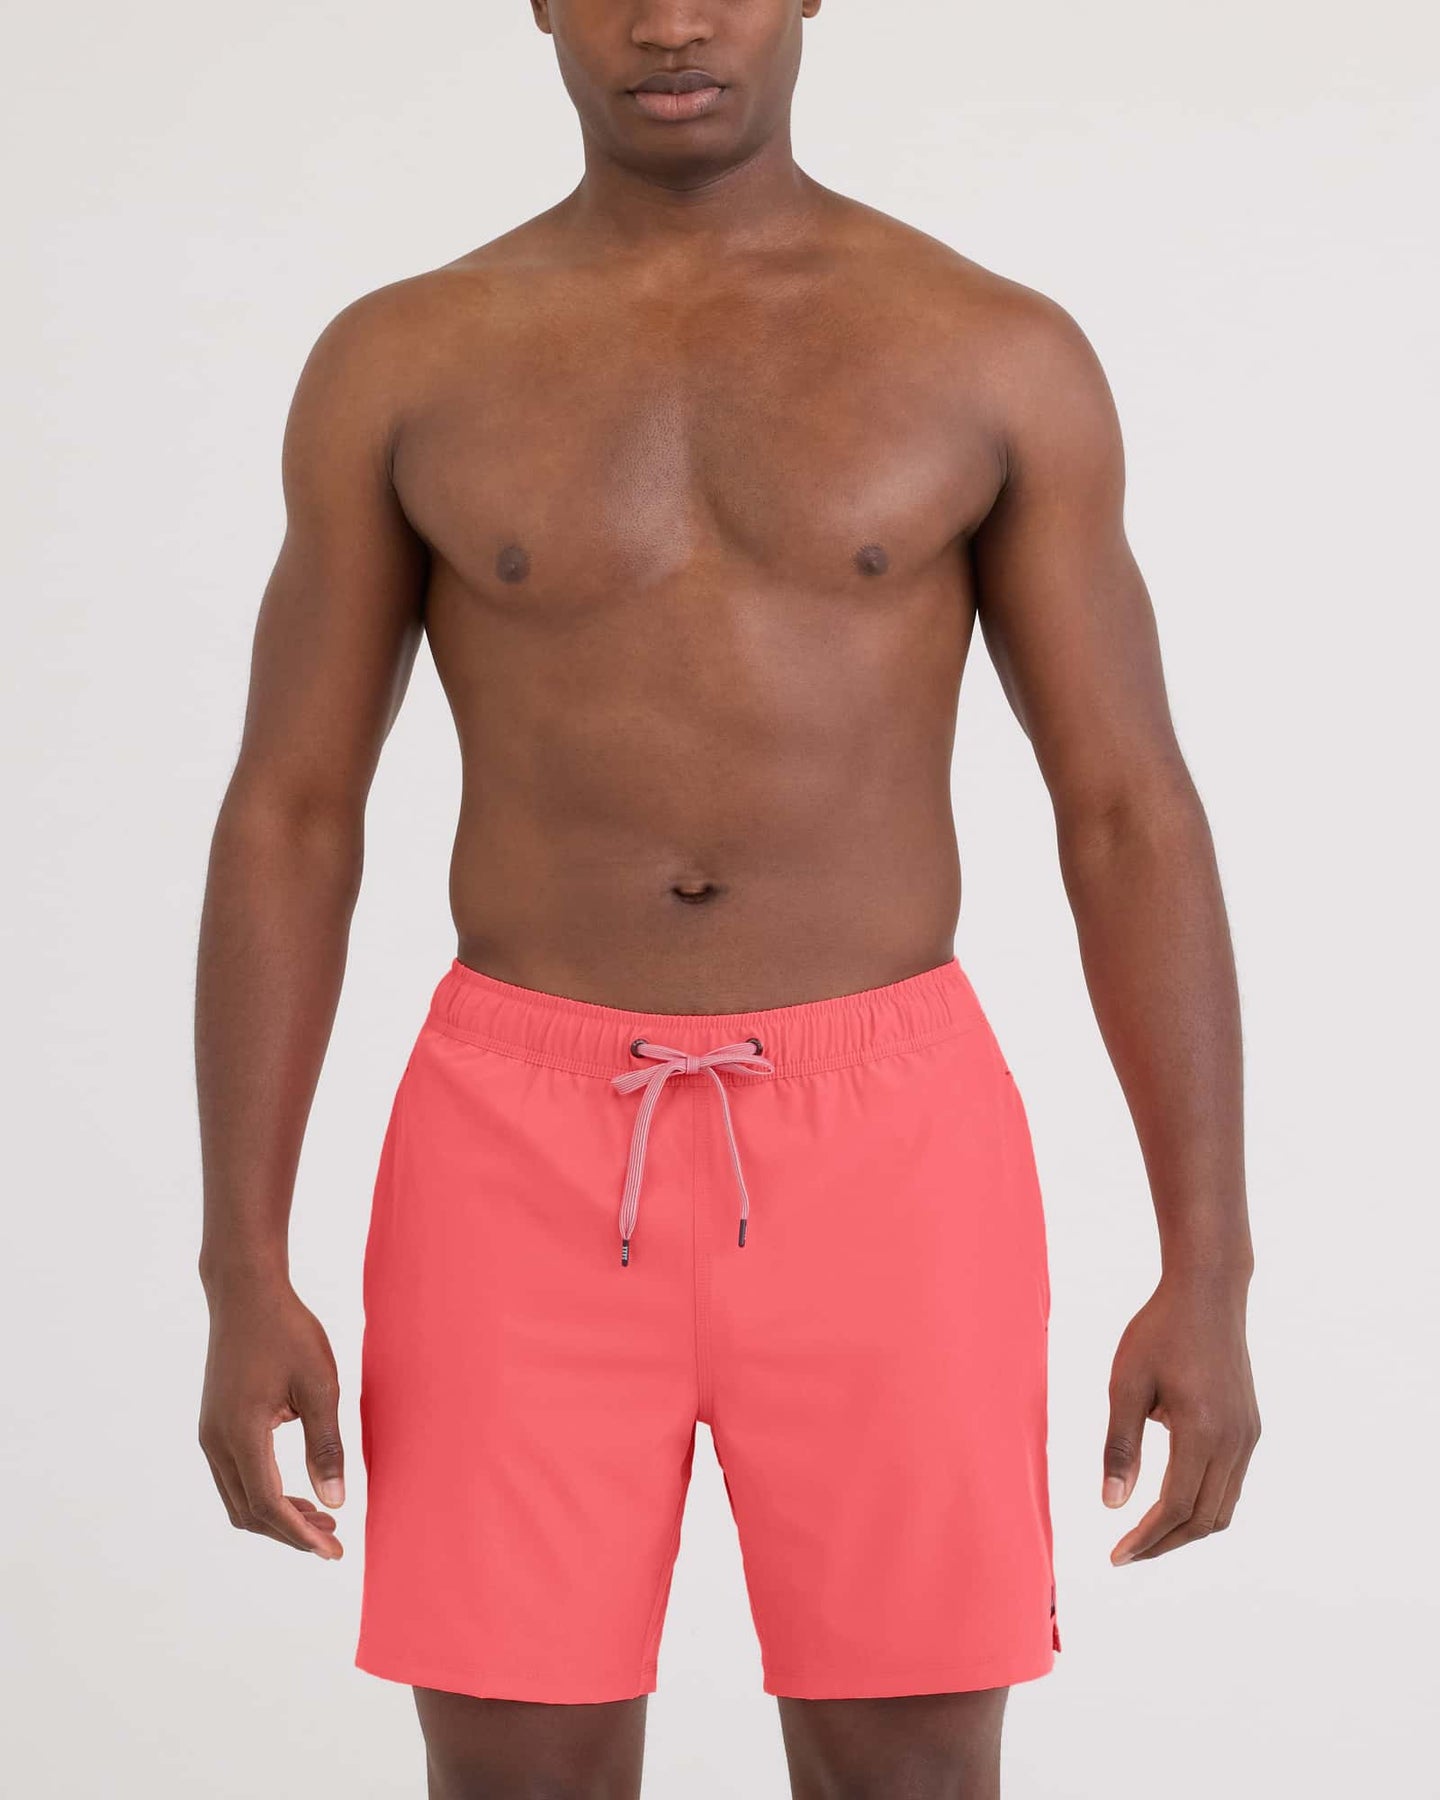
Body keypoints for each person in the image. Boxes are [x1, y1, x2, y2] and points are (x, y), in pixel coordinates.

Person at [194, 3, 1261, 1794]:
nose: (672, 18)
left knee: (911, 1771)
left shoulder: (990, 352)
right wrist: (242, 1267)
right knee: (515, 1776)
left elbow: (1128, 810)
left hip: (890, 1142)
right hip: (511, 1145)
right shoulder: (406, 360)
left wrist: (1208, 1266)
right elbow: (291, 814)